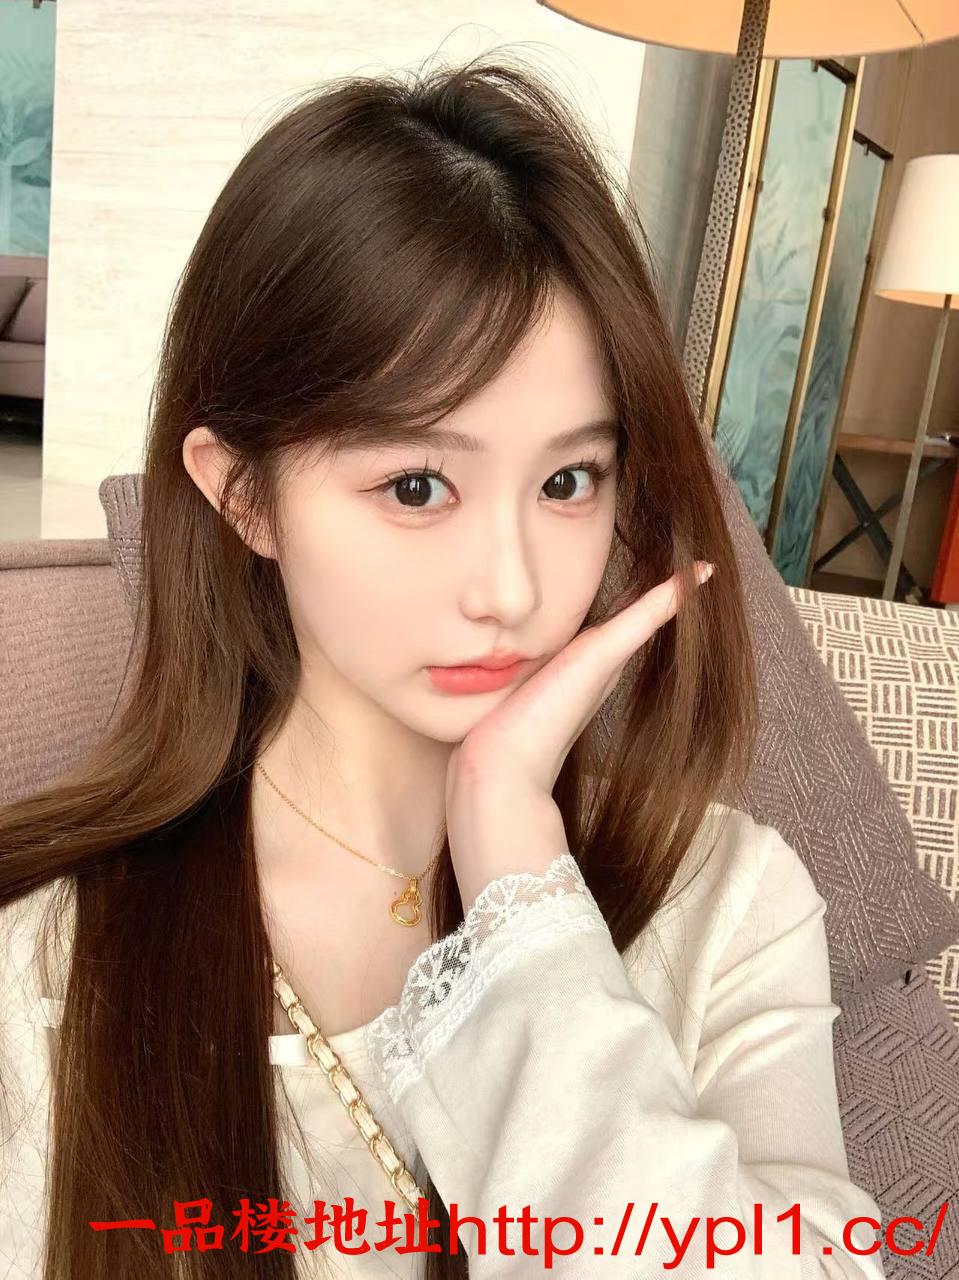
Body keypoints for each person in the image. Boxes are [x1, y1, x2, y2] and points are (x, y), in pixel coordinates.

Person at [0, 51, 888, 1280]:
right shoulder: (49, 959)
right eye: (417, 486)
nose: (512, 589)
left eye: (567, 479)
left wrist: (517, 876)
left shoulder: (722, 899)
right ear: (243, 495)